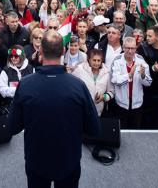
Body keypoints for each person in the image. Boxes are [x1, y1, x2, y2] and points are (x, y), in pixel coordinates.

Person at [8, 30, 100, 188]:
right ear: (63, 51)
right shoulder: (78, 86)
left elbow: (13, 127)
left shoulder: (25, 85)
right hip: (68, 160)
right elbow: (94, 129)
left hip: (36, 160)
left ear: (41, 52)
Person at [110, 35, 152, 129]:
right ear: (123, 48)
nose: (130, 51)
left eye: (132, 48)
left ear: (136, 48)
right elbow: (114, 80)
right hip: (121, 104)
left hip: (137, 104)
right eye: (127, 48)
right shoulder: (117, 60)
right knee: (122, 132)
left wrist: (143, 76)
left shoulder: (141, 60)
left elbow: (148, 82)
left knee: (135, 132)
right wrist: (129, 75)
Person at [71, 49, 112, 116]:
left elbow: (112, 92)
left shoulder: (106, 73)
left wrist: (104, 97)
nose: (96, 63)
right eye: (94, 60)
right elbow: (72, 86)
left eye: (99, 60)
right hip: (82, 110)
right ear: (89, 60)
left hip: (98, 111)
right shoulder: (80, 69)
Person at [0, 45, 34, 116]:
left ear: (22, 57)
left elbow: (35, 87)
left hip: (28, 106)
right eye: (11, 56)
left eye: (16, 56)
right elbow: (1, 89)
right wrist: (18, 90)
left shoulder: (31, 69)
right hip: (11, 107)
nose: (13, 58)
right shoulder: (6, 70)